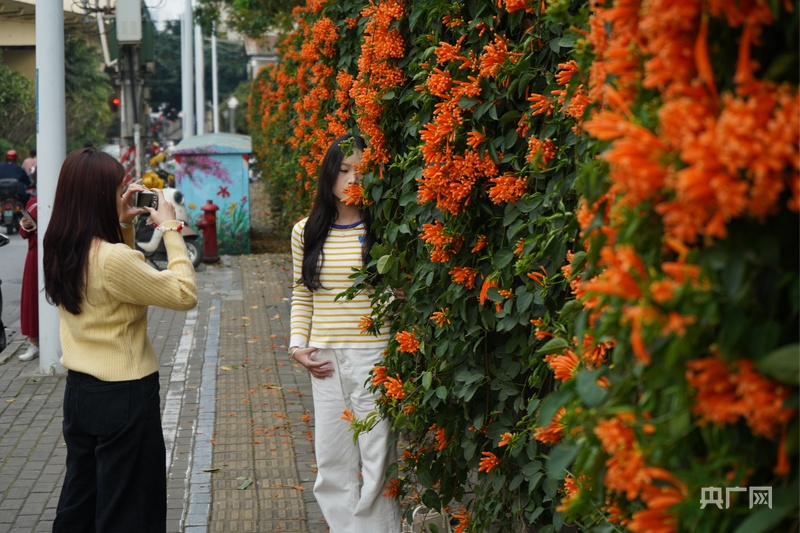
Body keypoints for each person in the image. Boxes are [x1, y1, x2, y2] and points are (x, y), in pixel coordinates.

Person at [43, 148, 198, 532]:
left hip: (80, 393)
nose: (124, 196)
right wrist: (171, 229)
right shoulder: (112, 258)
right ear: (98, 197)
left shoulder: (61, 243)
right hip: (124, 396)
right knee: (130, 511)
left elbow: (116, 284)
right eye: (117, 190)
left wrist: (123, 226)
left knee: (81, 501)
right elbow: (183, 294)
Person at [289, 134, 402, 533]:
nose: (354, 177)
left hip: (375, 357)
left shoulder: (384, 229)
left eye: (362, 170)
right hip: (325, 360)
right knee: (333, 462)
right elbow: (302, 293)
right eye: (345, 169)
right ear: (329, 176)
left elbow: (397, 295)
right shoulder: (306, 231)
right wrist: (297, 347)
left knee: (376, 460)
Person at [17, 197, 38, 362]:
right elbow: (24, 233)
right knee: (32, 297)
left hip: (59, 253)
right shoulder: (33, 202)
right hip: (35, 255)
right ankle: (35, 343)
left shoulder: (68, 197)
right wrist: (26, 225)